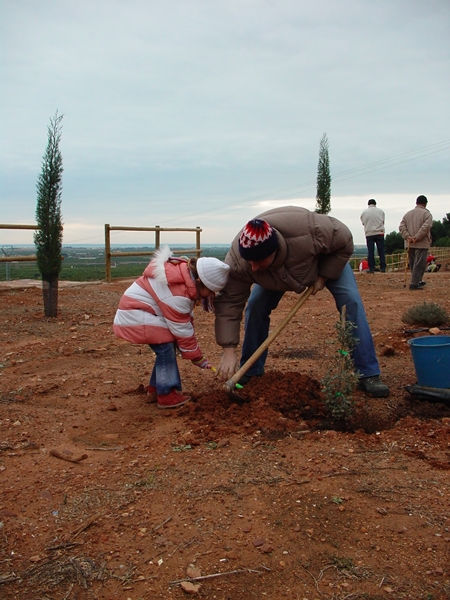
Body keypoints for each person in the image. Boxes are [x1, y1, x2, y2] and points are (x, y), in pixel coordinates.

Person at [214, 206, 390, 398]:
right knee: (255, 306)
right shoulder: (240, 260)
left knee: (351, 302)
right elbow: (229, 304)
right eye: (250, 262)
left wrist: (324, 275)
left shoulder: (311, 230)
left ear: (273, 251)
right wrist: (228, 349)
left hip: (325, 262)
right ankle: (251, 370)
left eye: (259, 261)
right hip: (274, 276)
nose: (253, 268)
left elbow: (345, 240)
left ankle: (368, 373)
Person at [113, 246, 230, 408]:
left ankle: (156, 388)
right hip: (134, 315)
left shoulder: (181, 280)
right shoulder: (178, 292)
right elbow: (182, 329)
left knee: (166, 346)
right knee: (166, 345)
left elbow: (184, 320)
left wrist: (193, 353)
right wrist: (197, 357)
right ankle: (166, 393)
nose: (211, 296)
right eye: (210, 291)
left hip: (138, 313)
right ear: (198, 282)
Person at [399, 195, 433, 290]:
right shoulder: (427, 214)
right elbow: (426, 227)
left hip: (409, 243)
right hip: (421, 243)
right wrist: (417, 237)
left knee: (413, 263)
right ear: (426, 203)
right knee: (420, 264)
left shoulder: (407, 214)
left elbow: (401, 227)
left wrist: (408, 237)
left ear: (416, 202)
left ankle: (418, 280)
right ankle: (414, 283)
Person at [360, 199, 386, 273]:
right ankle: (383, 267)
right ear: (375, 204)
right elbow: (383, 222)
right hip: (379, 232)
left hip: (369, 233)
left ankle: (371, 268)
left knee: (370, 251)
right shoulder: (381, 211)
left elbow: (363, 223)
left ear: (368, 204)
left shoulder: (364, 213)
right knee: (381, 251)